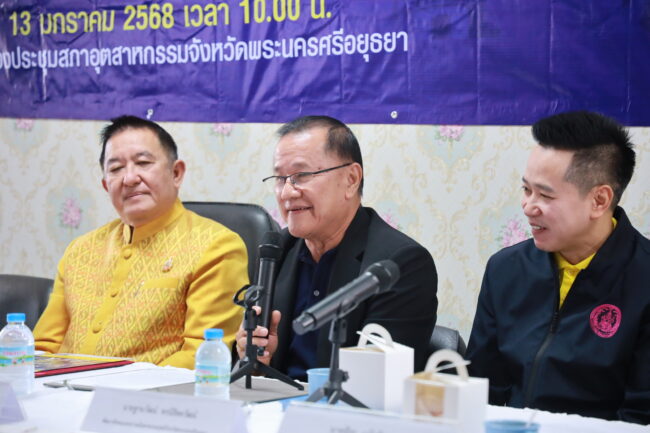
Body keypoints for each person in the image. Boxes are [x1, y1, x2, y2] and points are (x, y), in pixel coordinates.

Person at [466, 111, 650, 424]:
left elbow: (640, 416)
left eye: (545, 195)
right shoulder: (506, 269)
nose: (528, 206)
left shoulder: (642, 279)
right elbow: (480, 388)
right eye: (526, 190)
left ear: (599, 200)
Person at [33, 115, 248, 369]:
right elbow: (43, 347)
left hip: (153, 393)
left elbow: (201, 354)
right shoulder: (80, 250)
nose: (129, 178)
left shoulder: (216, 247)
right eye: (116, 169)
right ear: (106, 185)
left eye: (143, 163)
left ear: (176, 173)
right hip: (59, 389)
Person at [235, 115, 438, 380]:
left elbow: (378, 382)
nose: (286, 193)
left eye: (301, 175)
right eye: (280, 178)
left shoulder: (398, 264)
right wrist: (256, 360)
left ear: (351, 179)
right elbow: (248, 370)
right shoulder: (276, 251)